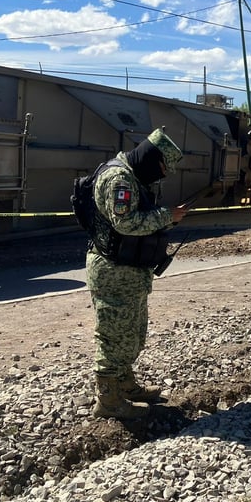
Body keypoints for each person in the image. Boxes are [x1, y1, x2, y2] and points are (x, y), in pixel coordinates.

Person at [87, 127, 189, 419]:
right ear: (149, 157)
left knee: (130, 334)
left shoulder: (127, 174)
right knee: (114, 336)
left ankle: (124, 384)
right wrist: (168, 215)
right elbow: (126, 224)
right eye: (161, 168)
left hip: (127, 271)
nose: (162, 175)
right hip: (113, 272)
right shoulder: (120, 179)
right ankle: (108, 401)